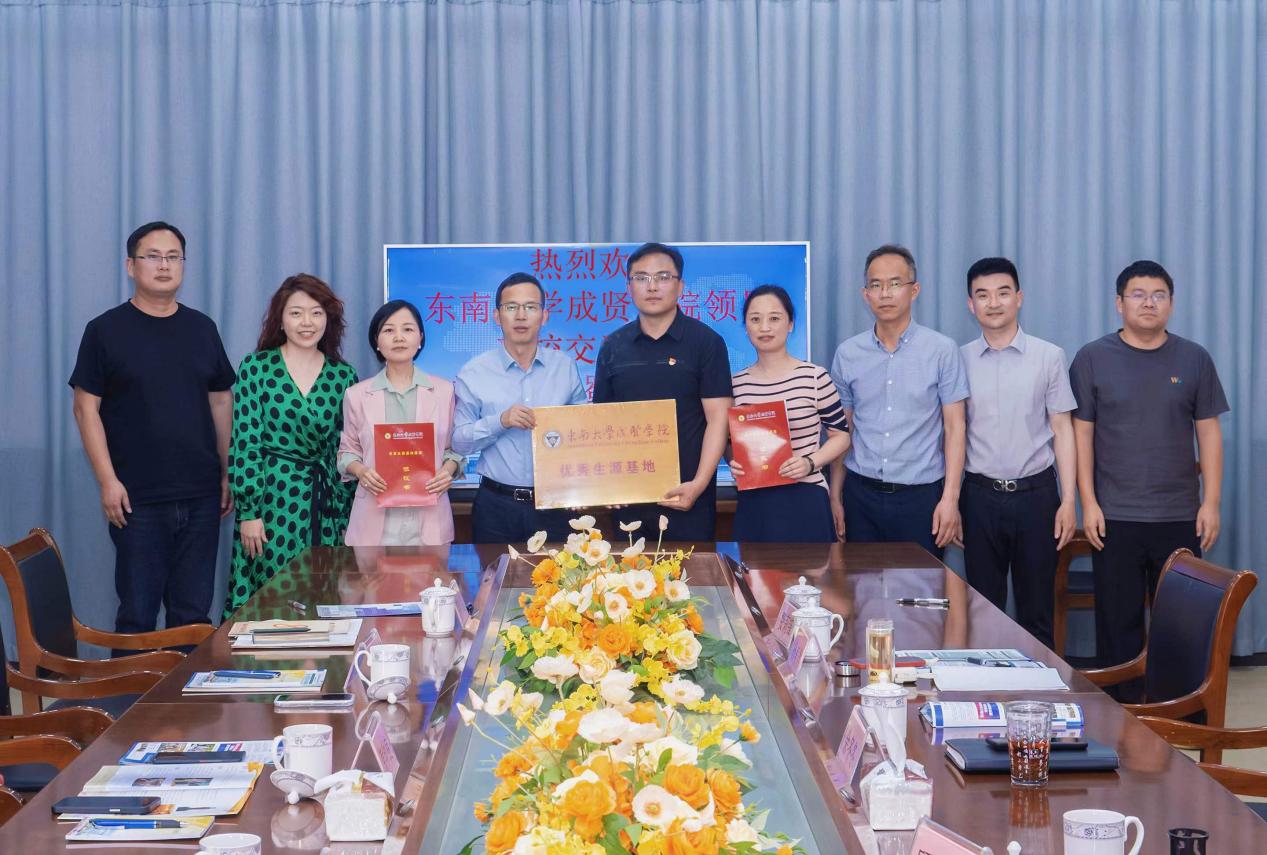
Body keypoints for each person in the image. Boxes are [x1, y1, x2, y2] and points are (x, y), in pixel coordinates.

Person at [69, 221, 235, 640]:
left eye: (173, 257)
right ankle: (130, 687)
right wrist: (107, 481)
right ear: (131, 265)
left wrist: (226, 472)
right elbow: (85, 409)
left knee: (193, 617)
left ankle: (186, 688)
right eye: (153, 256)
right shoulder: (104, 330)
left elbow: (220, 401)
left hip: (201, 495)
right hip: (135, 499)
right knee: (137, 615)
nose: (164, 265)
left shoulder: (202, 328)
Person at [1070, 260, 1228, 673]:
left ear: (1171, 304)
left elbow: (1209, 433)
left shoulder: (1194, 358)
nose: (1148, 303)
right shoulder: (1092, 358)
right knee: (1116, 625)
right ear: (1119, 303)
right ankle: (1120, 708)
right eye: (1137, 295)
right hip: (1114, 517)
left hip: (1179, 516)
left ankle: (1177, 705)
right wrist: (1089, 502)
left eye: (1159, 295)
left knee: (1180, 626)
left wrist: (1211, 502)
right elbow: (1080, 434)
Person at [223, 274, 359, 617]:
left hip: (326, 507)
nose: (306, 322)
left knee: (323, 598)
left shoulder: (343, 375)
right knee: (274, 598)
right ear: (281, 320)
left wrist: (346, 515)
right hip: (272, 502)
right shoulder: (256, 368)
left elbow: (346, 450)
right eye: (296, 313)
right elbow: (246, 441)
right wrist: (249, 512)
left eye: (316, 313)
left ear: (328, 320)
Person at [958, 257, 1077, 648]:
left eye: (1003, 293)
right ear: (971, 304)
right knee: (982, 611)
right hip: (978, 497)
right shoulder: (957, 360)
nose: (994, 303)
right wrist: (952, 501)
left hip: (1036, 497)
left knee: (1037, 611)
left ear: (1019, 298)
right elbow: (952, 433)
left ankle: (1040, 685)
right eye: (983, 295)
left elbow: (1063, 429)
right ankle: (985, 686)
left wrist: (1068, 500)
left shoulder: (1049, 356)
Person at [828, 244, 969, 559]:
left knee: (920, 588)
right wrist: (835, 496)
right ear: (866, 294)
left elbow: (955, 428)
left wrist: (950, 498)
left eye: (895, 284)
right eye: (876, 285)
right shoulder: (848, 354)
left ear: (914, 290)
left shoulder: (941, 350)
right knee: (860, 586)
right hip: (860, 496)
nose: (885, 294)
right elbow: (842, 431)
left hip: (920, 498)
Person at [592, 242, 733, 541]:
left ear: (680, 286)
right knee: (628, 572)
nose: (652, 286)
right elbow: (602, 423)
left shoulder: (706, 342)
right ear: (629, 287)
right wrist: (607, 485)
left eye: (663, 277)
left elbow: (718, 420)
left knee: (693, 572)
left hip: (689, 497)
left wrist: (699, 484)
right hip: (628, 499)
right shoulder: (612, 346)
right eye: (641, 277)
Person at [452, 272, 588, 544]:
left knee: (560, 572)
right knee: (494, 571)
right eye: (511, 307)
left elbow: (583, 432)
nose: (521, 316)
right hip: (496, 505)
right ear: (496, 316)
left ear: (544, 316)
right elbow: (460, 442)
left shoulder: (564, 367)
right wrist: (500, 421)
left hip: (555, 503)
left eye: (531, 307)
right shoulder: (474, 372)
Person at [729, 285, 850, 542]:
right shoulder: (736, 384)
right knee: (753, 569)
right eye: (755, 319)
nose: (764, 327)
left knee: (812, 569)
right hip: (755, 500)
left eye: (774, 318)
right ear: (746, 327)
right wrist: (734, 462)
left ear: (791, 324)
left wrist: (810, 462)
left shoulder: (814, 377)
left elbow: (841, 436)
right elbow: (729, 442)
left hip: (805, 496)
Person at [339, 300, 465, 546]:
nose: (398, 337)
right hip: (374, 518)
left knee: (431, 574)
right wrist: (362, 471)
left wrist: (447, 470)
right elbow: (347, 452)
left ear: (420, 338)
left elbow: (455, 449)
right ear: (376, 341)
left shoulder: (444, 391)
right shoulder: (356, 395)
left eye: (407, 329)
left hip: (430, 517)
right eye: (388, 330)